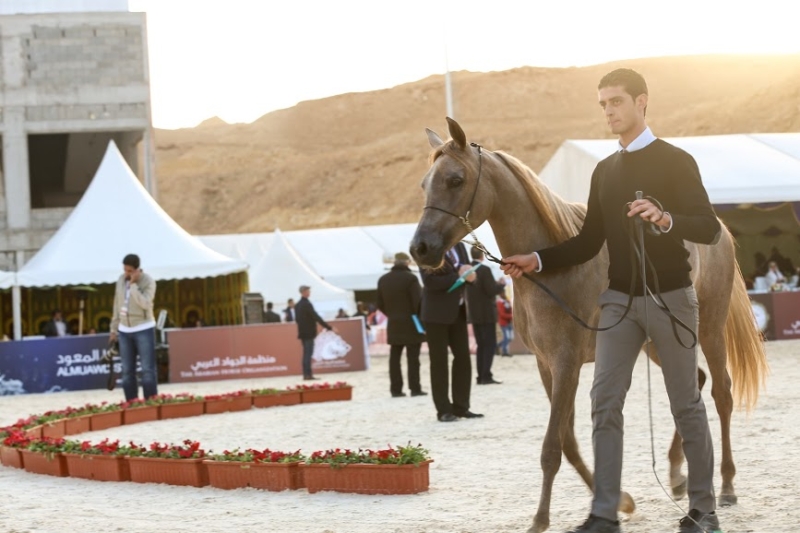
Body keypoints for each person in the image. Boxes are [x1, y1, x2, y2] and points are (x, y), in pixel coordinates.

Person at [501, 68, 722, 533]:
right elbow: (586, 242)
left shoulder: (676, 161)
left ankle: (704, 509)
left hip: (671, 298)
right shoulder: (605, 170)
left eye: (616, 102)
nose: (609, 111)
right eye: (602, 104)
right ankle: (604, 513)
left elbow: (706, 226)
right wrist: (535, 260)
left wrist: (664, 218)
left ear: (642, 102)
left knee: (685, 404)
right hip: (618, 301)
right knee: (604, 402)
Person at [421, 241, 482, 422]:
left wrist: (471, 277)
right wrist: (459, 275)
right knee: (439, 362)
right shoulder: (426, 247)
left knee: (463, 359)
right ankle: (443, 410)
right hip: (435, 314)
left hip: (459, 311)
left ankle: (461, 407)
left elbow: (465, 274)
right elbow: (429, 281)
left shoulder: (460, 246)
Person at [376, 252, 427, 398]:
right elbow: (417, 302)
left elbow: (379, 303)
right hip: (412, 323)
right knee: (413, 358)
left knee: (394, 358)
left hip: (394, 322)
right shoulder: (411, 278)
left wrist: (392, 314)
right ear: (406, 262)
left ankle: (396, 389)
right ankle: (415, 388)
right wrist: (421, 322)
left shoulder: (383, 280)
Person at [110, 254, 158, 402]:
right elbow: (117, 304)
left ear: (137, 270)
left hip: (144, 327)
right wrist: (114, 329)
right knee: (127, 370)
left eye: (130, 271)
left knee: (147, 369)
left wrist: (133, 285)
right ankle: (131, 402)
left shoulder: (148, 281)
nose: (126, 273)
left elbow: (145, 303)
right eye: (125, 270)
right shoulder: (120, 279)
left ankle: (151, 401)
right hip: (124, 330)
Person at [465, 246, 506, 385]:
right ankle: (486, 376)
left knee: (480, 345)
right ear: (482, 255)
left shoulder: (467, 270)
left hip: (474, 314)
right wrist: (500, 285)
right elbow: (490, 290)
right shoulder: (484, 270)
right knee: (489, 345)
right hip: (487, 314)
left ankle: (480, 376)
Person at [295, 285, 334, 380]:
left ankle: (306, 374)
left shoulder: (298, 305)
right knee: (308, 353)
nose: (309, 292)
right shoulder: (306, 304)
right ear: (304, 292)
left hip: (302, 332)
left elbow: (297, 319)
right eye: (308, 291)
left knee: (306, 354)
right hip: (309, 332)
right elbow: (315, 316)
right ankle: (308, 374)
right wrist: (328, 326)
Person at [496, 291, 513, 357]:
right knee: (506, 337)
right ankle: (504, 351)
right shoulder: (499, 302)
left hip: (509, 322)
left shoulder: (506, 301)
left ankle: (497, 345)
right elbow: (502, 314)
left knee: (510, 337)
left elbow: (510, 309)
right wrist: (511, 316)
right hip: (503, 322)